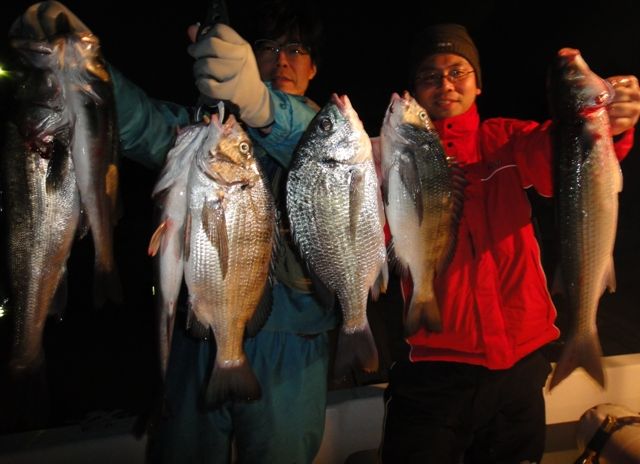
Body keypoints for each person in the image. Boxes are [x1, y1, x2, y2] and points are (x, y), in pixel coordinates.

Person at [12, 1, 337, 463]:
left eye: (297, 50)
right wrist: (86, 65)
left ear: (314, 68)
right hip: (196, 331)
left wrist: (262, 106)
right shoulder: (204, 134)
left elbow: (316, 146)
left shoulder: (330, 134)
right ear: (251, 56)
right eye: (268, 47)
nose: (282, 60)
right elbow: (142, 123)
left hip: (292, 346)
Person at [378, 24, 640, 464]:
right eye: (429, 76)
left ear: (478, 84)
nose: (445, 84)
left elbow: (559, 157)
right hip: (432, 370)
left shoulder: (505, 139)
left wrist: (610, 125)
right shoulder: (391, 159)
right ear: (416, 91)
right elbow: (378, 237)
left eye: (457, 71)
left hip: (521, 364)